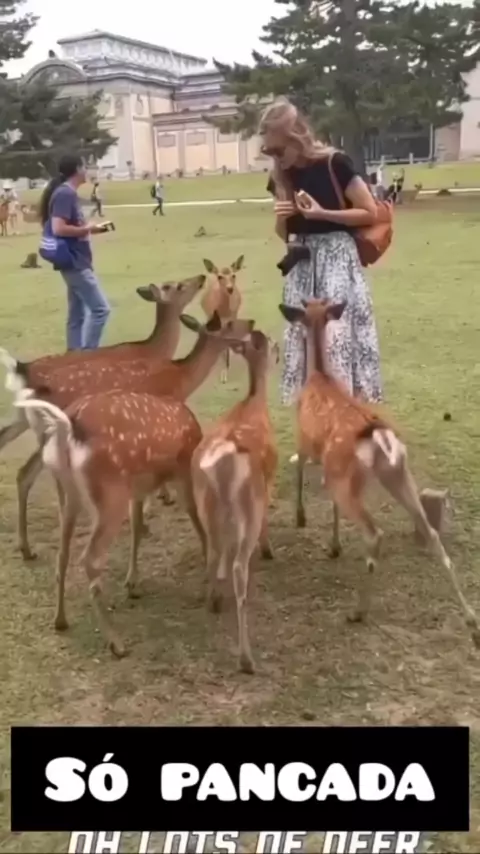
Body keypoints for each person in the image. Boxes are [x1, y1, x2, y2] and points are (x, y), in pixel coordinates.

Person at [259, 97, 383, 408]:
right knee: (303, 339)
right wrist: (282, 216)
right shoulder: (280, 176)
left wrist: (322, 213)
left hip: (337, 259)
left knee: (335, 338)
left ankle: (345, 410)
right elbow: (284, 234)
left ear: (295, 137)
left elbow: (370, 212)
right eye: (269, 152)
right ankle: (313, 414)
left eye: (278, 149)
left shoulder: (334, 164)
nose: (275, 157)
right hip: (301, 265)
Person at [39, 154, 111, 351]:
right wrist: (88, 229)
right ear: (78, 169)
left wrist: (90, 228)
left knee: (76, 315)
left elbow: (69, 227)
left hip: (77, 260)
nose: (87, 170)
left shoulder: (67, 193)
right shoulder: (65, 194)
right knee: (101, 310)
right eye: (85, 166)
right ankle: (87, 356)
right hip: (74, 262)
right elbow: (58, 228)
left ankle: (74, 357)